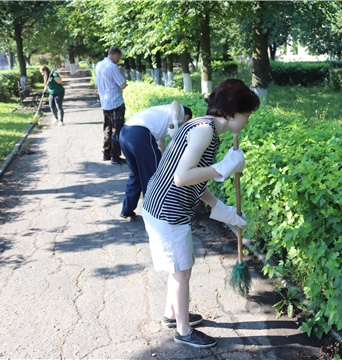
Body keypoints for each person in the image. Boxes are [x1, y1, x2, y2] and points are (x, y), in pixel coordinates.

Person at [142, 79, 260, 348]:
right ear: (231, 113)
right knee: (182, 271)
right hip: (167, 211)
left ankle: (172, 315)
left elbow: (195, 180)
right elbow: (182, 177)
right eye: (247, 115)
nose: (247, 122)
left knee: (180, 268)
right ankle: (183, 331)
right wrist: (223, 167)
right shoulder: (205, 131)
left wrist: (223, 210)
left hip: (160, 206)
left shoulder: (203, 127)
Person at [118, 100, 193, 218]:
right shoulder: (178, 112)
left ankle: (127, 209)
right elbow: (175, 102)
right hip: (140, 134)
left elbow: (160, 145)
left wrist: (162, 162)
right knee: (152, 177)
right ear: (186, 117)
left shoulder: (161, 119)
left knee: (137, 173)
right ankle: (153, 213)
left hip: (125, 133)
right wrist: (175, 121)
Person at [95, 46, 127, 164]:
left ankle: (106, 153)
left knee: (107, 128)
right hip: (116, 101)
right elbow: (122, 84)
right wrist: (121, 72)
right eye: (119, 57)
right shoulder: (113, 67)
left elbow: (97, 84)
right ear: (116, 55)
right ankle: (115, 156)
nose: (118, 60)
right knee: (117, 129)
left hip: (105, 102)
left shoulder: (99, 65)